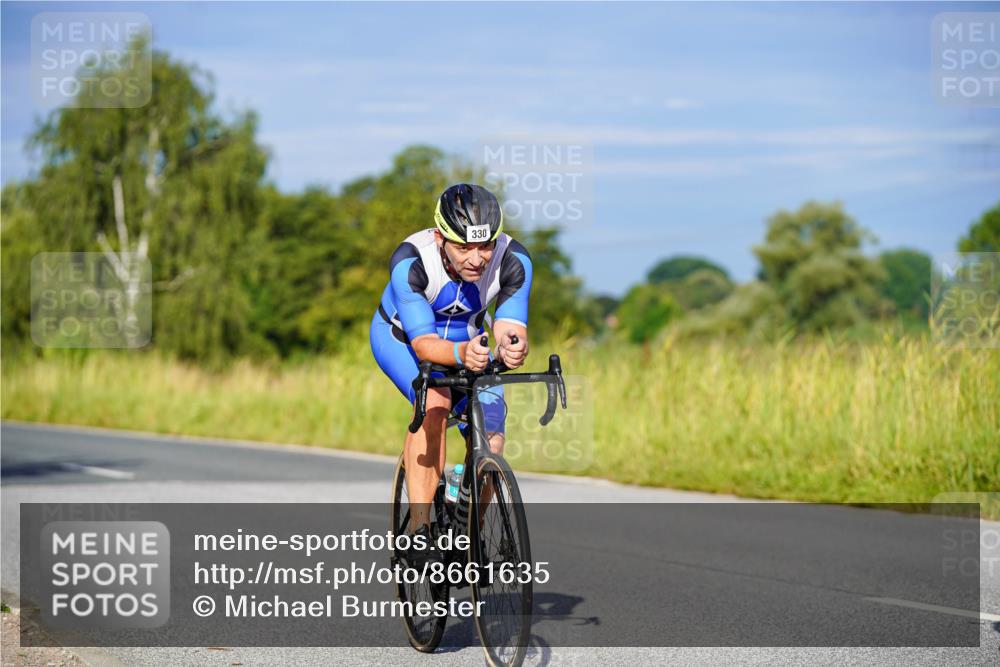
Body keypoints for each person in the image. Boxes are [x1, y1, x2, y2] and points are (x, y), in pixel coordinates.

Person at [370, 183, 532, 562]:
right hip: (402, 339)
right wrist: (461, 354)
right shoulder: (411, 260)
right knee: (436, 402)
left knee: (492, 434)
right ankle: (420, 529)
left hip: (468, 339)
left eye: (485, 246)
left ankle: (468, 529)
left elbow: (510, 324)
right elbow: (424, 344)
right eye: (464, 248)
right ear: (441, 238)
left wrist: (513, 345)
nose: (477, 259)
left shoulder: (514, 260)